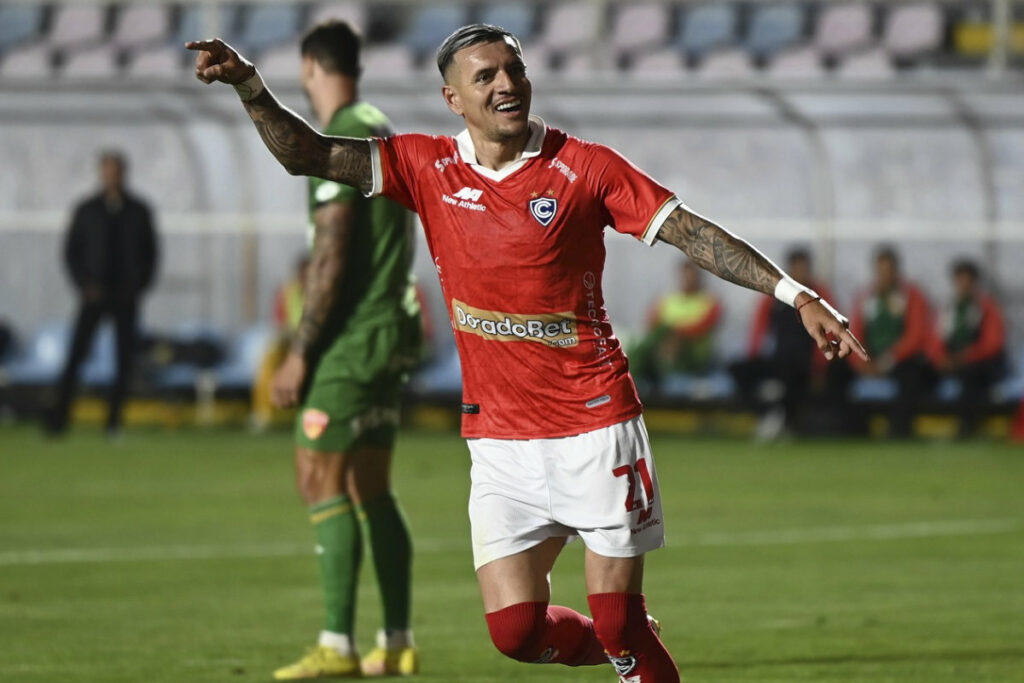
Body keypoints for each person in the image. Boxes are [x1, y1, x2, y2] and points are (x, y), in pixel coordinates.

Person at [187, 24, 866, 682]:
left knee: (618, 620)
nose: (507, 84)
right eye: (486, 76)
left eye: (515, 69)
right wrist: (249, 83)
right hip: (500, 440)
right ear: (454, 98)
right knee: (514, 632)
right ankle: (624, 644)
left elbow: (688, 231)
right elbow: (306, 154)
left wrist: (796, 293)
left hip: (595, 425)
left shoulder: (584, 167)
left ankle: (628, 642)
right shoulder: (425, 165)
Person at [254, 22, 424, 680]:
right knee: (372, 485)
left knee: (318, 476)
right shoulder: (380, 123)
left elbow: (330, 249)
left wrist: (301, 349)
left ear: (308, 67)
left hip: (352, 338)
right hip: (391, 330)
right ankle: (398, 640)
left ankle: (338, 644)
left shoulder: (340, 132)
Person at [46, 150, 158, 437]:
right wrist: (85, 285)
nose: (111, 177)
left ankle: (113, 422)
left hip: (125, 297)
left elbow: (151, 254)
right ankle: (59, 420)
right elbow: (71, 252)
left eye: (116, 171)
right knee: (76, 357)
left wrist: (137, 286)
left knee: (123, 360)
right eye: (107, 171)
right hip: (92, 295)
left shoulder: (139, 210)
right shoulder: (87, 210)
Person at [730, 248, 840, 437]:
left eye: (804, 268)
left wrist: (820, 367)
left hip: (805, 362)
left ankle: (783, 417)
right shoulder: (776, 295)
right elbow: (759, 328)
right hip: (779, 359)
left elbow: (831, 333)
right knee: (738, 369)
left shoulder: (820, 296)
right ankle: (769, 409)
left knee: (793, 373)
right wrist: (755, 355)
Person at [849, 247, 934, 437]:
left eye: (889, 270)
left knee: (911, 375)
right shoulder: (866, 297)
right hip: (871, 358)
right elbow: (855, 331)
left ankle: (899, 429)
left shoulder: (911, 295)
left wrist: (887, 360)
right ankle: (849, 429)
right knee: (836, 372)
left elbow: (916, 335)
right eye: (881, 271)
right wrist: (862, 362)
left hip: (901, 359)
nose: (885, 276)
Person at [932, 258, 1006, 437]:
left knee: (970, 374)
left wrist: (965, 356)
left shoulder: (986, 307)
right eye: (960, 280)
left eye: (967, 281)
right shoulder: (949, 309)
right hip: (955, 362)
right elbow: (934, 339)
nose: (963, 286)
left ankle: (966, 425)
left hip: (981, 364)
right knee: (917, 372)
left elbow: (993, 344)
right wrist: (942, 359)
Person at [630, 260, 721, 386]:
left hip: (693, 357)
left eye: (692, 277)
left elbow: (703, 327)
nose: (688, 280)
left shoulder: (709, 301)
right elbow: (652, 325)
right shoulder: (666, 300)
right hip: (664, 351)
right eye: (686, 276)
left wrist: (676, 333)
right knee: (641, 346)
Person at [251, 254, 309, 430]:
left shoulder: (324, 291)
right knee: (269, 356)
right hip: (291, 342)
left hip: (313, 342)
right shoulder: (288, 292)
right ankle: (264, 414)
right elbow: (280, 322)